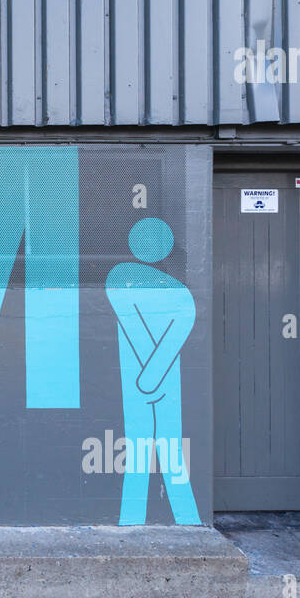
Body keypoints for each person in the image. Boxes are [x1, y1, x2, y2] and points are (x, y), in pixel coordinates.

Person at [104, 218, 200, 525]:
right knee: (159, 450)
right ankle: (183, 519)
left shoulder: (120, 279)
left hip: (145, 381)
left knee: (145, 450)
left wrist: (148, 378)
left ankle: (143, 519)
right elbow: (149, 329)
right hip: (153, 381)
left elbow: (137, 328)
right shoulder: (179, 293)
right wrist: (153, 376)